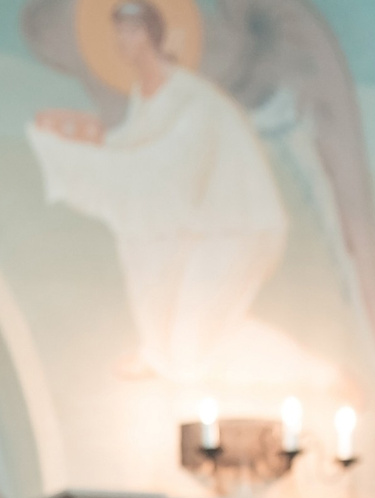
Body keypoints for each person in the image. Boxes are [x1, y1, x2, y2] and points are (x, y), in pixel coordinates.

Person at [26, 0, 286, 383]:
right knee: (144, 252)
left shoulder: (191, 99)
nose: (122, 41)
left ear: (152, 36)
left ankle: (322, 376)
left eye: (131, 32)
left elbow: (165, 167)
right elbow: (135, 148)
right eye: (118, 33)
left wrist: (94, 156)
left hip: (240, 226)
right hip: (203, 226)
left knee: (189, 353)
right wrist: (83, 138)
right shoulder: (143, 95)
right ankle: (158, 352)